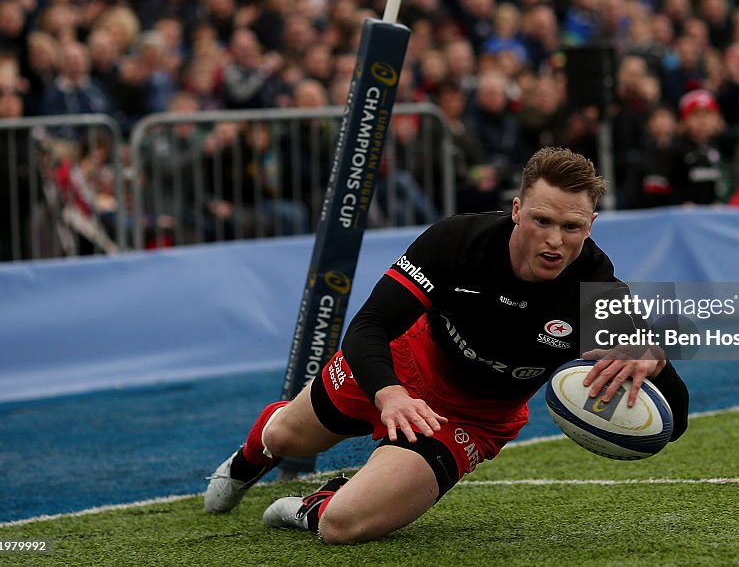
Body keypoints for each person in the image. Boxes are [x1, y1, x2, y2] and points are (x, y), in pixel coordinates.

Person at [204, 147, 689, 544]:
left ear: (591, 225)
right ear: (516, 210)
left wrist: (653, 357)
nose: (555, 241)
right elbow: (370, 325)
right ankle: (247, 463)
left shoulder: (596, 289)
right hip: (400, 366)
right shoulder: (457, 242)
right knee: (287, 437)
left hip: (473, 418)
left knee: (341, 526)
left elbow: (677, 420)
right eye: (542, 220)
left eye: (572, 227)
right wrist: (389, 391)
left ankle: (317, 502)